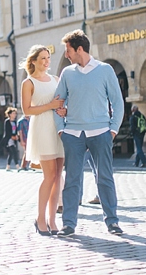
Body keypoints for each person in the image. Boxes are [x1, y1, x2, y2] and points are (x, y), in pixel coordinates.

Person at [53, 29, 125, 237]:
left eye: (68, 51)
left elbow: (117, 102)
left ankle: (112, 221)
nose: (66, 55)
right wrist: (61, 130)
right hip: (73, 134)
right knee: (72, 180)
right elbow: (58, 102)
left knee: (105, 178)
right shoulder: (67, 73)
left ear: (79, 49)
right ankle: (69, 224)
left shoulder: (105, 70)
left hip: (101, 132)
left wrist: (112, 130)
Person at [20, 45, 65, 236]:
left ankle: (53, 220)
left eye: (48, 58)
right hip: (42, 129)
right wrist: (50, 105)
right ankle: (40, 219)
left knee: (58, 178)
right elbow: (27, 111)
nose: (47, 62)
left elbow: (62, 102)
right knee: (49, 177)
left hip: (58, 129)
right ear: (33, 61)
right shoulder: (28, 83)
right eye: (43, 58)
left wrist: (63, 109)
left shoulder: (56, 79)